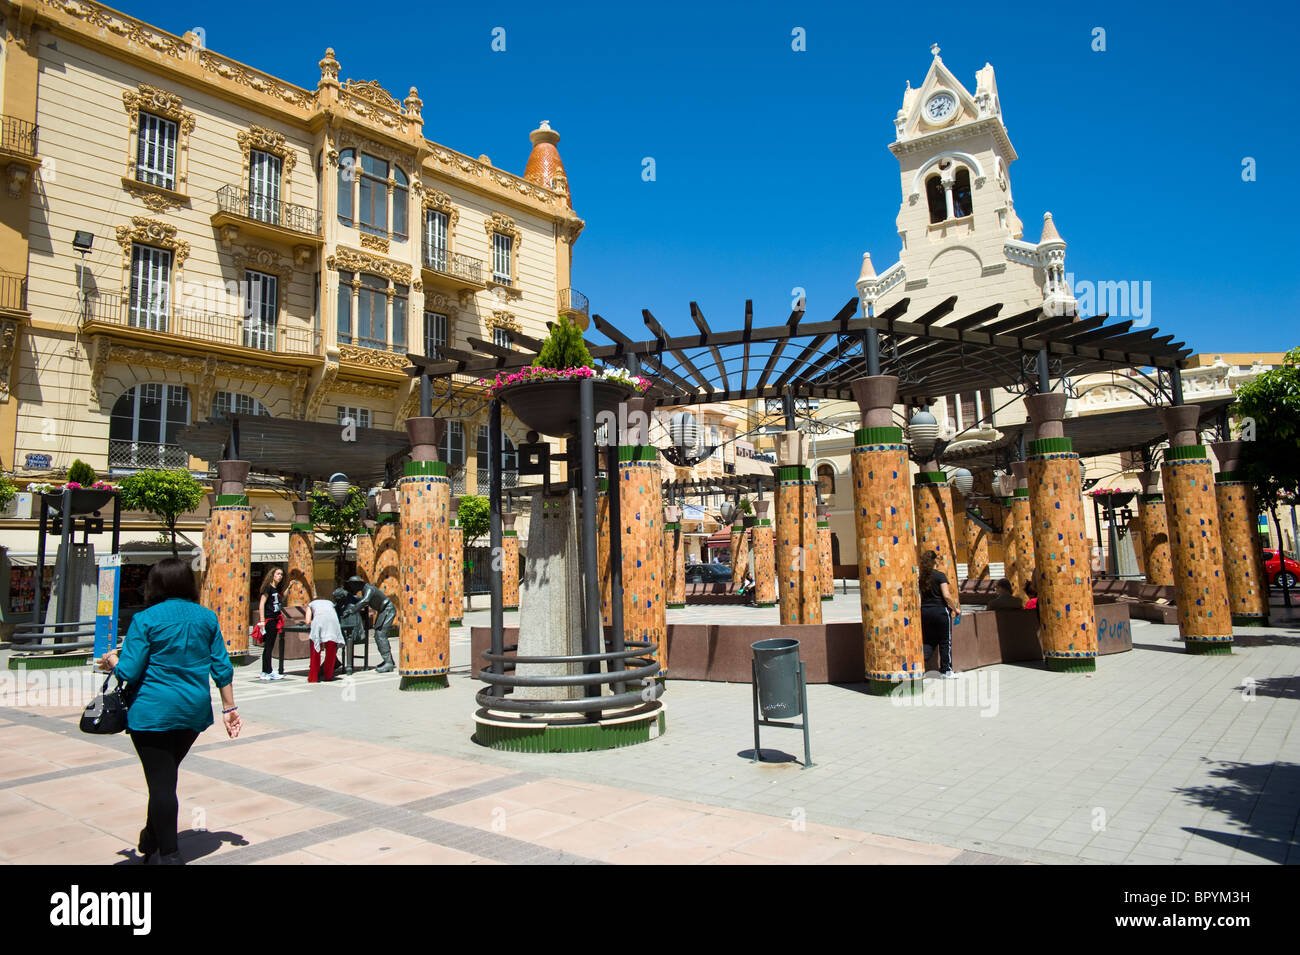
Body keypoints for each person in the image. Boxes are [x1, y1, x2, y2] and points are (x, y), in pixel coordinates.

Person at [98, 558, 240, 864]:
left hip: (152, 713)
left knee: (162, 783)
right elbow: (221, 666)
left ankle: (170, 854)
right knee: (164, 777)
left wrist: (112, 662)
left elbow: (129, 671)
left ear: (155, 585)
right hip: (192, 713)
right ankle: (150, 837)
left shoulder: (145, 619)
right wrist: (230, 708)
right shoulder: (206, 618)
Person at [918, 549, 960, 678]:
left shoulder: (921, 578)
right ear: (935, 560)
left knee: (928, 641)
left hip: (925, 612)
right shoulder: (940, 576)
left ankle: (919, 667)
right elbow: (946, 596)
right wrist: (955, 609)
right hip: (940, 612)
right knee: (945, 641)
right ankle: (946, 670)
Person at [345, 576, 396, 672]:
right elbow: (364, 599)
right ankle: (389, 660)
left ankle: (388, 662)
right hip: (383, 611)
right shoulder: (366, 589)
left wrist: (352, 610)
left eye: (352, 585)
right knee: (379, 635)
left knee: (380, 635)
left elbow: (365, 601)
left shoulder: (369, 589)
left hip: (387, 610)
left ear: (357, 584)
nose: (352, 587)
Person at [304, 594, 343, 682]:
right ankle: (328, 676)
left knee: (316, 650)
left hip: (319, 622)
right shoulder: (330, 603)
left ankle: (313, 677)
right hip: (333, 623)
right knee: (331, 651)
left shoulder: (311, 604)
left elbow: (307, 621)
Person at [257, 567, 286, 681]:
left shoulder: (275, 589)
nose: (280, 576)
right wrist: (263, 620)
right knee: (268, 646)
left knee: (269, 646)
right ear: (272, 575)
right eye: (278, 574)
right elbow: (261, 604)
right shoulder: (268, 588)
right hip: (269, 620)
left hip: (275, 619)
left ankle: (266, 671)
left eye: (281, 574)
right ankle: (268, 671)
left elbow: (282, 598)